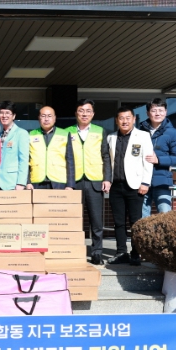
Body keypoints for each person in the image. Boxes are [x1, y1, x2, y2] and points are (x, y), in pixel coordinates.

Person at [65, 99, 112, 265]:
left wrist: (107, 178)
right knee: (73, 219)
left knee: (96, 221)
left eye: (88, 111)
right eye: (81, 111)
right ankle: (72, 251)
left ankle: (97, 252)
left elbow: (106, 156)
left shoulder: (100, 131)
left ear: (93, 114)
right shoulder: (67, 132)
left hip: (95, 180)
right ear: (76, 113)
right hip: (74, 182)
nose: (84, 114)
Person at [106, 107, 153, 266]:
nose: (124, 121)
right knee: (118, 221)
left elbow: (148, 161)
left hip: (135, 186)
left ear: (134, 119)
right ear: (116, 120)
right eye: (121, 118)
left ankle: (135, 253)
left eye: (128, 118)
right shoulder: (111, 137)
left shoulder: (143, 136)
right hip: (116, 185)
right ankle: (121, 252)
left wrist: (145, 182)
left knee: (135, 221)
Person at [139, 98, 176, 218]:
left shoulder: (173, 133)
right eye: (154, 110)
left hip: (162, 182)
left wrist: (158, 160)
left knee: (165, 216)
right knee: (141, 218)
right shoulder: (140, 131)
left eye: (161, 110)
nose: (157, 113)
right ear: (148, 113)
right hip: (142, 181)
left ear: (166, 112)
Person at [27, 106, 76, 190]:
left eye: (49, 116)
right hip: (36, 182)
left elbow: (70, 160)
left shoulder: (64, 134)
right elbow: (26, 160)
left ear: (54, 118)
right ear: (39, 118)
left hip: (59, 182)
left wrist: (70, 185)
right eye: (43, 116)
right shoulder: (31, 134)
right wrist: (27, 182)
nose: (46, 119)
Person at [0, 100, 30, 191]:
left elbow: (24, 160)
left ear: (14, 116)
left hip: (13, 183)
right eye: (1, 113)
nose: (4, 116)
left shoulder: (21, 133)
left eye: (7, 113)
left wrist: (21, 183)